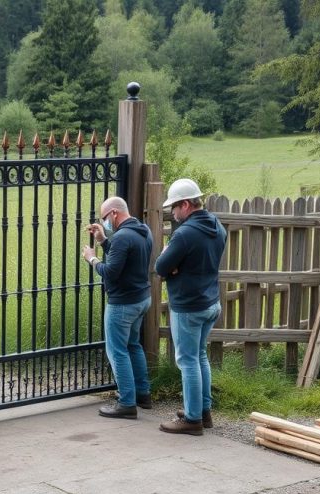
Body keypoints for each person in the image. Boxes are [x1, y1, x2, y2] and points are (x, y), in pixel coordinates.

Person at [155, 179, 227, 436]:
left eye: (174, 207)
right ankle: (203, 411)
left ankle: (193, 419)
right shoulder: (217, 226)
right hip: (210, 302)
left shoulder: (184, 234)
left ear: (186, 204)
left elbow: (160, 268)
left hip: (188, 306)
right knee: (200, 356)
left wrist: (169, 258)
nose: (173, 213)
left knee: (187, 361)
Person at [82, 196, 153, 419]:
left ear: (114, 213)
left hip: (122, 303)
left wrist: (92, 259)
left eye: (104, 218)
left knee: (117, 351)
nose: (104, 222)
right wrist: (103, 240)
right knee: (133, 345)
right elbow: (124, 258)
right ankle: (143, 394)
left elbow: (112, 271)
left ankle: (126, 403)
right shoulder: (143, 230)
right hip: (141, 298)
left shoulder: (123, 236)